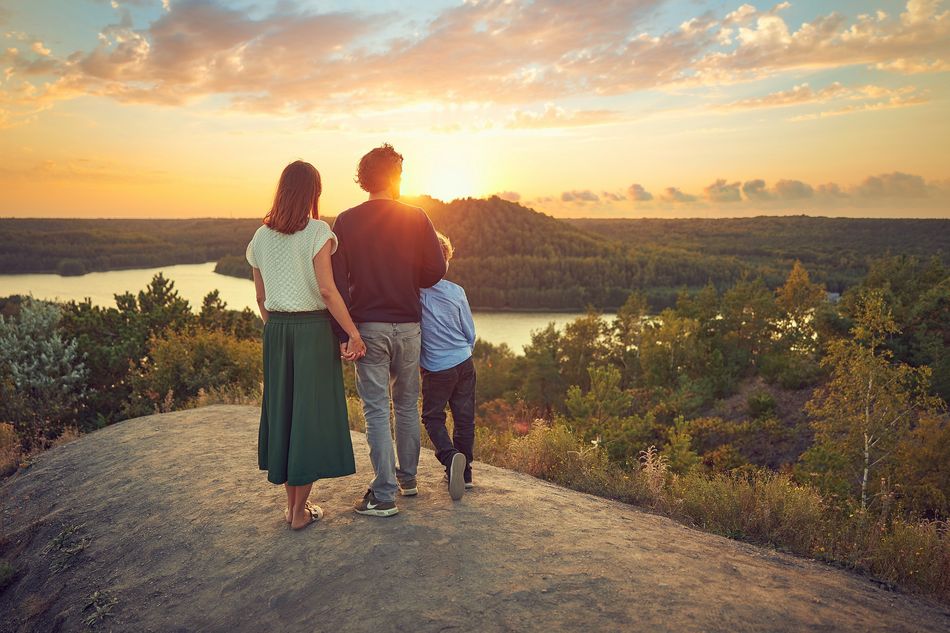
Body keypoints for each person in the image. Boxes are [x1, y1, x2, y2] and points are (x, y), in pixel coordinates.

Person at [246, 160, 366, 530]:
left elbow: (261, 298)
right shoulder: (317, 232)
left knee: (285, 414)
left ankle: (294, 507)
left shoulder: (260, 237)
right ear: (313, 193)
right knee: (310, 417)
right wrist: (352, 333)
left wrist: (277, 332)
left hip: (277, 332)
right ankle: (299, 513)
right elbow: (327, 290)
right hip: (313, 331)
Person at [331, 144, 446, 517]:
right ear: (396, 177)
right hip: (409, 327)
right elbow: (437, 270)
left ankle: (383, 495)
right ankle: (408, 480)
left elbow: (335, 281)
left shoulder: (347, 221)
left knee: (378, 411)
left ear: (364, 177)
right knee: (408, 405)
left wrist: (343, 333)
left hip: (368, 327)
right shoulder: (417, 217)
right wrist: (407, 277)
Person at [420, 232, 477, 501]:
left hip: (437, 368)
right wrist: (465, 351)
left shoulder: (415, 293)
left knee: (433, 417)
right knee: (465, 419)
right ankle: (465, 476)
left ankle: (450, 456)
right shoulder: (457, 291)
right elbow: (470, 332)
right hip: (464, 361)